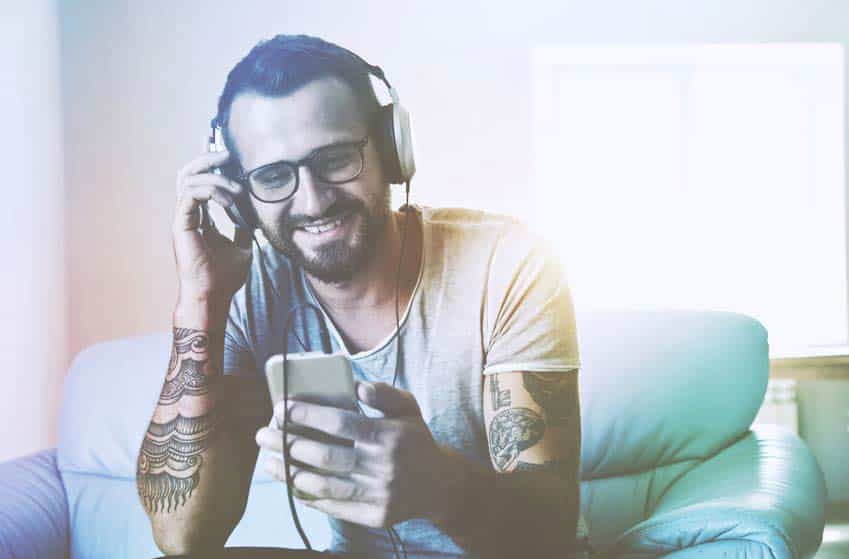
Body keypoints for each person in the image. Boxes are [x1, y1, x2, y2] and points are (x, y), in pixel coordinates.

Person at [137, 33, 587, 559]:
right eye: (274, 176)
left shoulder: (508, 264)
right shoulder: (248, 289)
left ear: (392, 151)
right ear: (240, 195)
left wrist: (442, 487)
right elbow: (182, 538)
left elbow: (549, 538)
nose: (313, 201)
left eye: (335, 159)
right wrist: (200, 301)